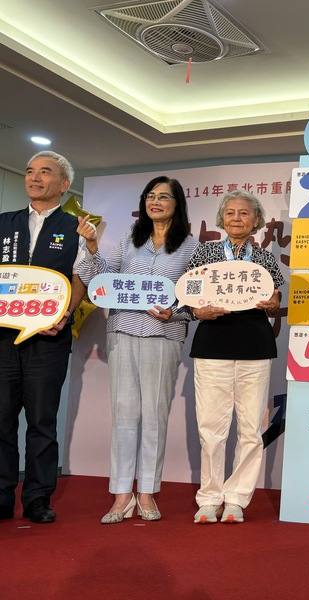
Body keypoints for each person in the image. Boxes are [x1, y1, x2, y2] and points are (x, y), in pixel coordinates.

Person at [76, 176, 198, 523]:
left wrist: (175, 311)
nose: (155, 201)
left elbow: (196, 296)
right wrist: (92, 246)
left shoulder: (190, 247)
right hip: (124, 330)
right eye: (150, 196)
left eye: (163, 196)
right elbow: (97, 278)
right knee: (125, 413)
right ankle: (121, 496)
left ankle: (147, 492)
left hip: (165, 332)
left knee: (155, 416)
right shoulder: (130, 240)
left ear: (177, 204)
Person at [0, 151, 89, 523]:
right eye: (30, 171)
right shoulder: (5, 222)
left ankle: (37, 497)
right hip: (3, 339)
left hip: (49, 338)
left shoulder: (78, 227)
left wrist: (64, 313)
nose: (34, 178)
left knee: (41, 420)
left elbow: (81, 275)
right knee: (1, 419)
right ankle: (2, 495)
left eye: (45, 172)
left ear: (64, 184)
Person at [187, 190, 284, 524]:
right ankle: (209, 497)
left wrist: (273, 303)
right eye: (230, 213)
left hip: (254, 346)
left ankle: (237, 500)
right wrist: (198, 311)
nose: (237, 218)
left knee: (250, 427)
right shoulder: (206, 252)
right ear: (221, 219)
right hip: (212, 344)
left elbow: (275, 295)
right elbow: (188, 296)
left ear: (256, 220)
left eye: (244, 213)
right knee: (210, 427)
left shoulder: (265, 258)